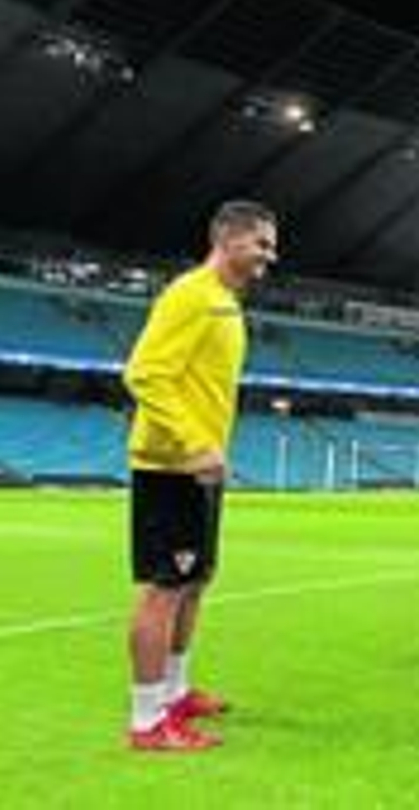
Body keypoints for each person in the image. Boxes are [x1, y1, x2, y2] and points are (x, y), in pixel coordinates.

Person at [123, 200, 278, 751]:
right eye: (261, 243)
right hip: (171, 466)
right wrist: (192, 444)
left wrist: (208, 452)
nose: (269, 255)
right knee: (164, 589)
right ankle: (147, 722)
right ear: (228, 238)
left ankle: (176, 692)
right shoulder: (190, 295)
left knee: (193, 582)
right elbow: (144, 373)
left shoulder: (224, 303)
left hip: (201, 469)